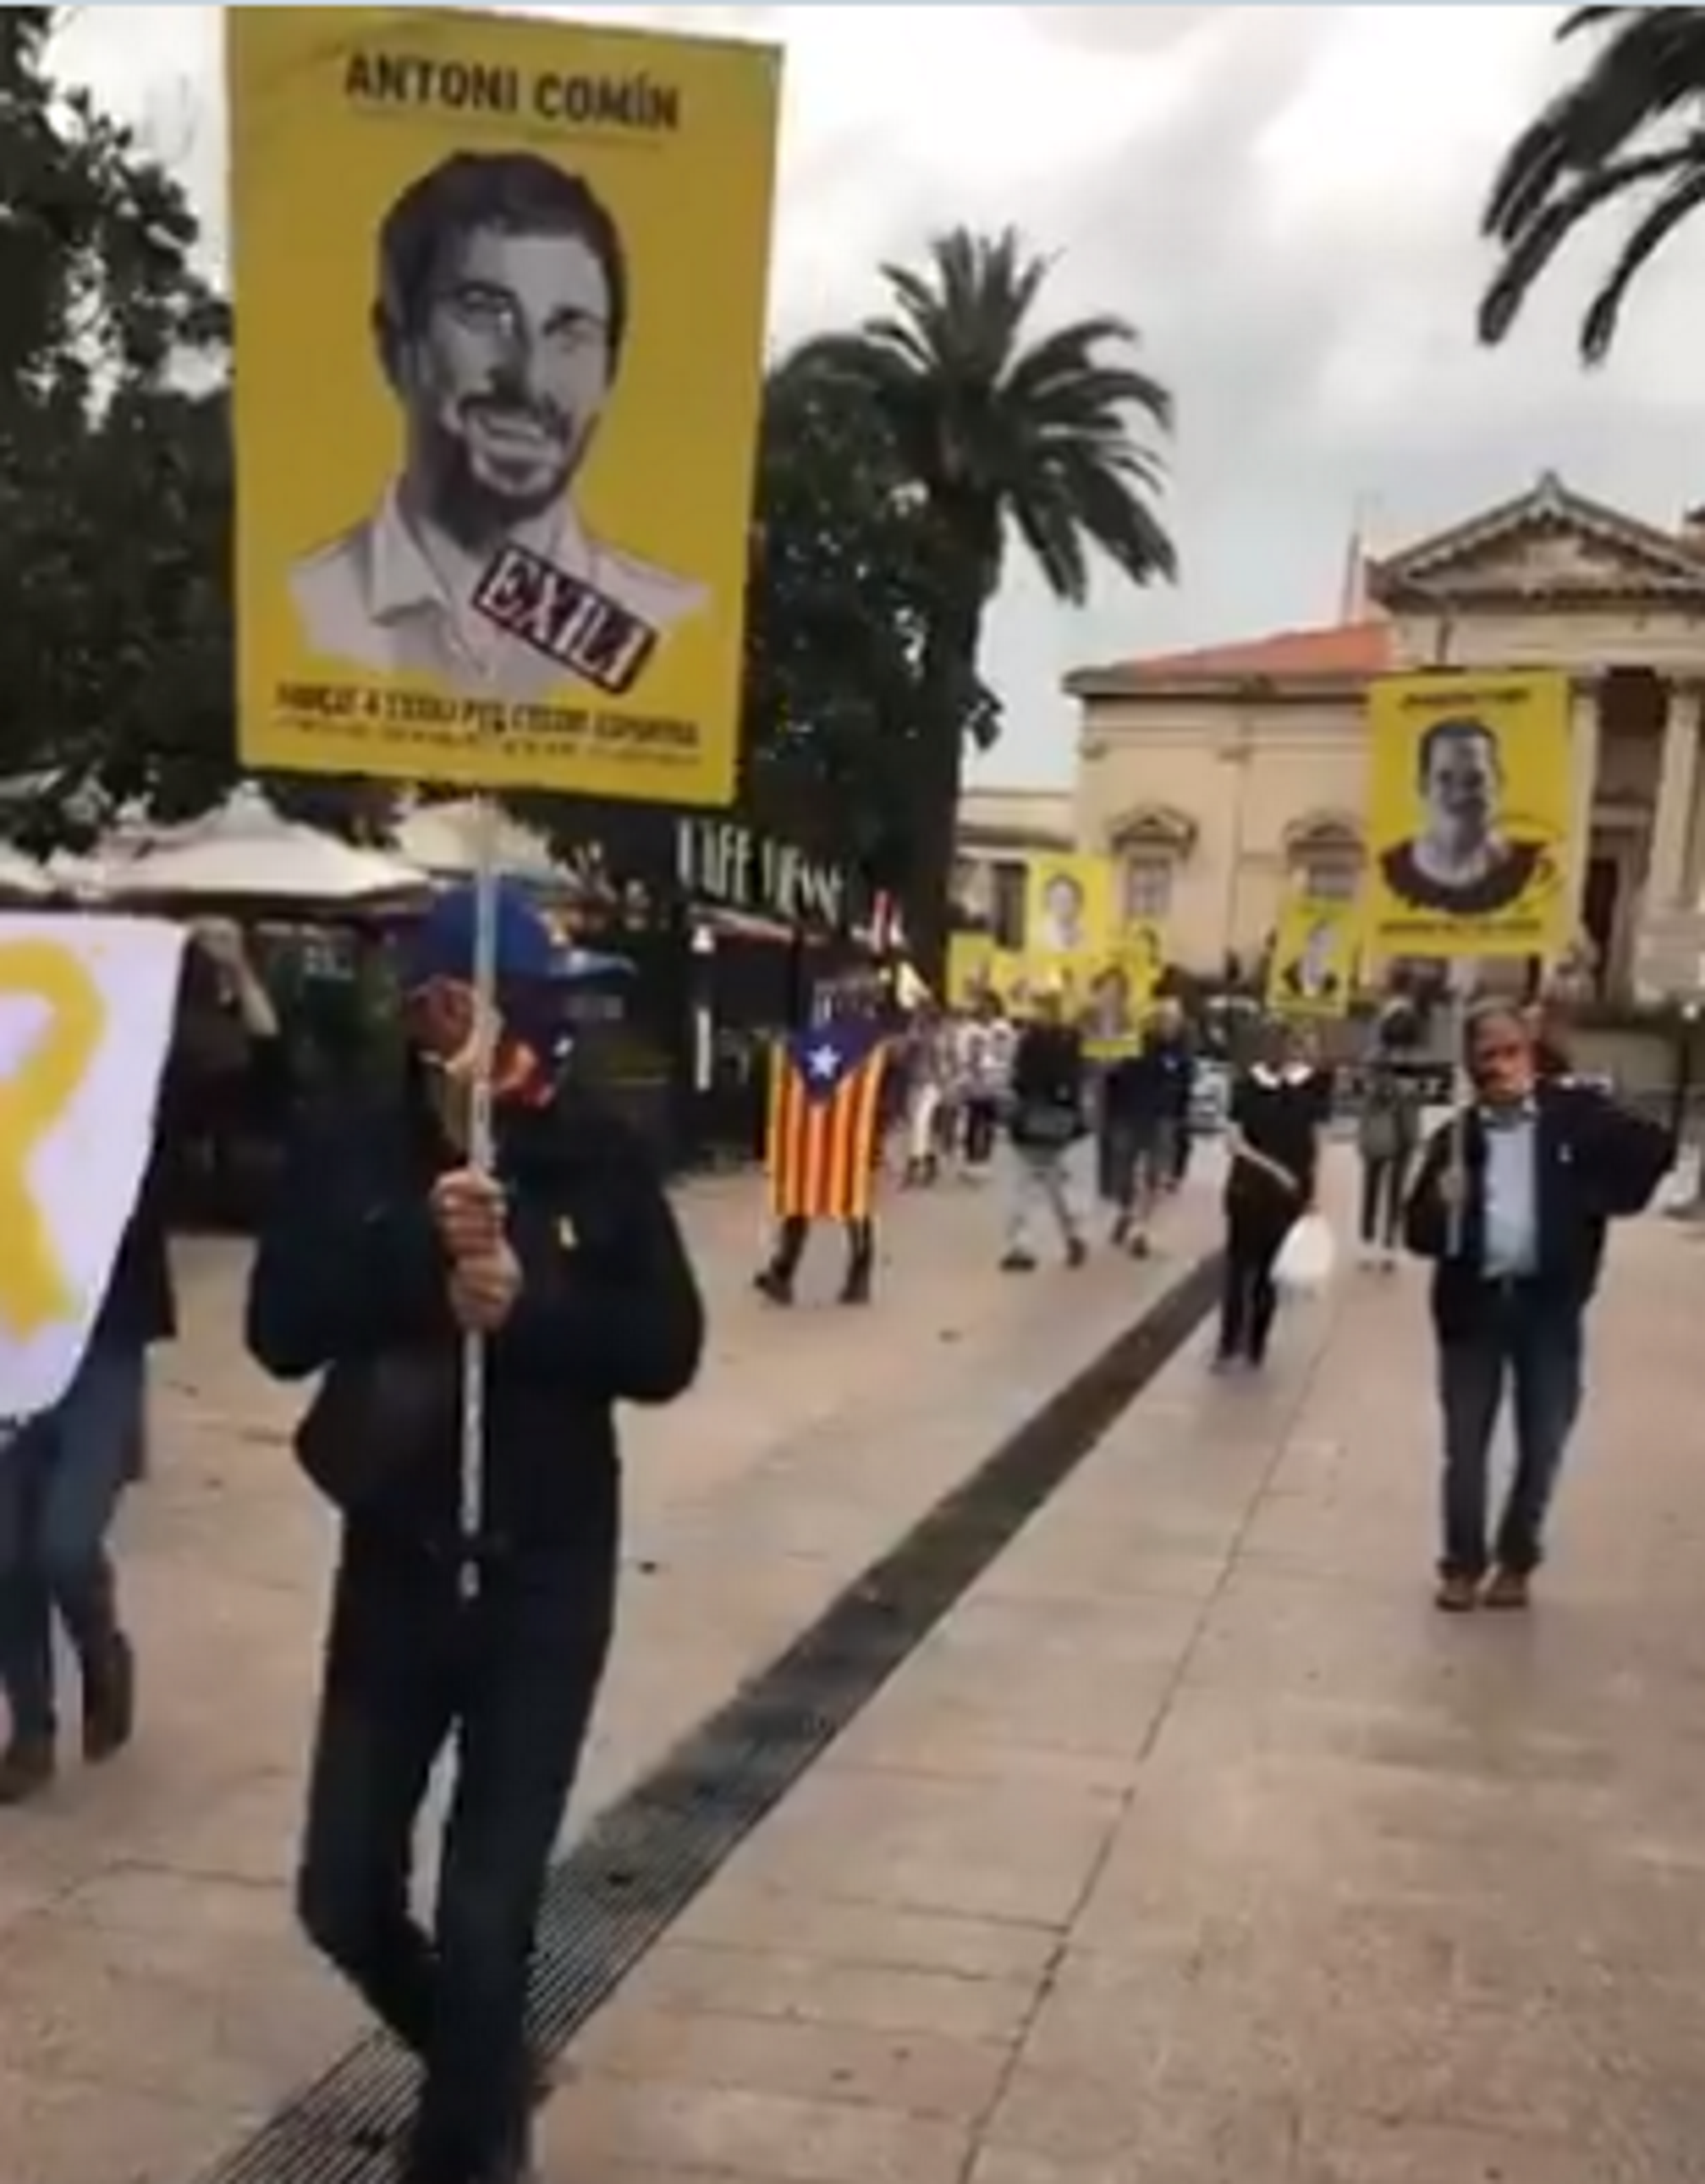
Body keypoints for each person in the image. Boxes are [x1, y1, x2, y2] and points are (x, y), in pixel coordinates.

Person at [246, 879, 703, 2184]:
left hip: (545, 1578)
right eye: (527, 999)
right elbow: (277, 1328)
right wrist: (415, 1260)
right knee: (343, 1891)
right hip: (396, 1568)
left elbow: (666, 1348)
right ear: (440, 1008)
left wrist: (528, 1299)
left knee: (488, 1910)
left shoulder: (593, 1145)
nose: (550, 1029)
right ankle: (485, 2062)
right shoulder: (354, 1144)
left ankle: (467, 2147)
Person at [0, 923, 281, 1807]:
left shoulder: (135, 1099)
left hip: (102, 1341)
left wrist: (237, 973)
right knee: (3, 1555)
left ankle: (102, 1646)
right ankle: (32, 1732)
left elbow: (261, 1083)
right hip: (11, 1334)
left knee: (62, 1542)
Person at [292, 153, 705, 698]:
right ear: (396, 347)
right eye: (484, 313)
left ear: (611, 370)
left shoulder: (676, 631)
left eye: (570, 331)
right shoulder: (300, 611)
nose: (530, 377)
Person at [1403, 1000, 1668, 1614]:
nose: (1499, 1066)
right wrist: (1444, 1205)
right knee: (1465, 1447)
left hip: (1548, 1309)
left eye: (1510, 1051)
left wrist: (1590, 1197)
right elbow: (1417, 1234)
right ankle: (1462, 1566)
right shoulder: (1457, 1139)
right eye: (1486, 1057)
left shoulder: (1574, 1118)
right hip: (1473, 1311)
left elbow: (1653, 1149)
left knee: (1544, 1439)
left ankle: (1517, 1559)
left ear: (1532, 1052)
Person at [1215, 1021, 1328, 1371]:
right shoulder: (1247, 1085)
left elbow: (1317, 1140)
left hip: (1288, 1191)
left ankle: (1254, 1344)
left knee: (1268, 1269)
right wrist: (1277, 1170)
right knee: (1239, 1268)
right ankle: (1231, 1342)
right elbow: (1234, 1141)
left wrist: (1314, 1190)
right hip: (1251, 1186)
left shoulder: (1311, 1086)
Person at [1378, 717, 1544, 916]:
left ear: (1499, 783)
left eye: (1475, 780)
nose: (1460, 794)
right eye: (1445, 779)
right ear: (1422, 786)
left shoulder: (1536, 870)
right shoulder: (1387, 872)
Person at [1002, 983, 1089, 1272]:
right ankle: (1070, 1237)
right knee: (1053, 1188)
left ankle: (1023, 1245)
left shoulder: (1032, 1040)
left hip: (1033, 1119)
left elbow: (1018, 1080)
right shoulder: (1070, 1039)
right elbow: (1077, 1081)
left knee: (1026, 1187)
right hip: (1057, 1121)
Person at [1356, 1043, 1422, 1271]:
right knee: (1393, 1195)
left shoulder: (1373, 1080)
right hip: (1400, 1140)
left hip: (1378, 1140)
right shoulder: (1406, 1077)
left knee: (1371, 1192)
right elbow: (1412, 1113)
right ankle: (1387, 1249)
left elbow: (1365, 1114)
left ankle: (1367, 1245)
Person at [953, 990, 1014, 1176]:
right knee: (974, 1117)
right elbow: (961, 1050)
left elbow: (1009, 1051)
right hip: (974, 1079)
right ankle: (970, 1159)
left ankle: (985, 1159)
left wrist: (1004, 1071)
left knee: (989, 1119)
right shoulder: (969, 1029)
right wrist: (966, 1070)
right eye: (982, 1006)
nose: (986, 1010)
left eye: (990, 1006)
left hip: (994, 1079)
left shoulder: (1002, 1027)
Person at [1035, 871, 1086, 954]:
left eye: (1068, 898)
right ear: (1048, 903)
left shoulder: (1084, 934)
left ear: (1078, 903)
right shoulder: (1041, 936)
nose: (1063, 904)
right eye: (1058, 899)